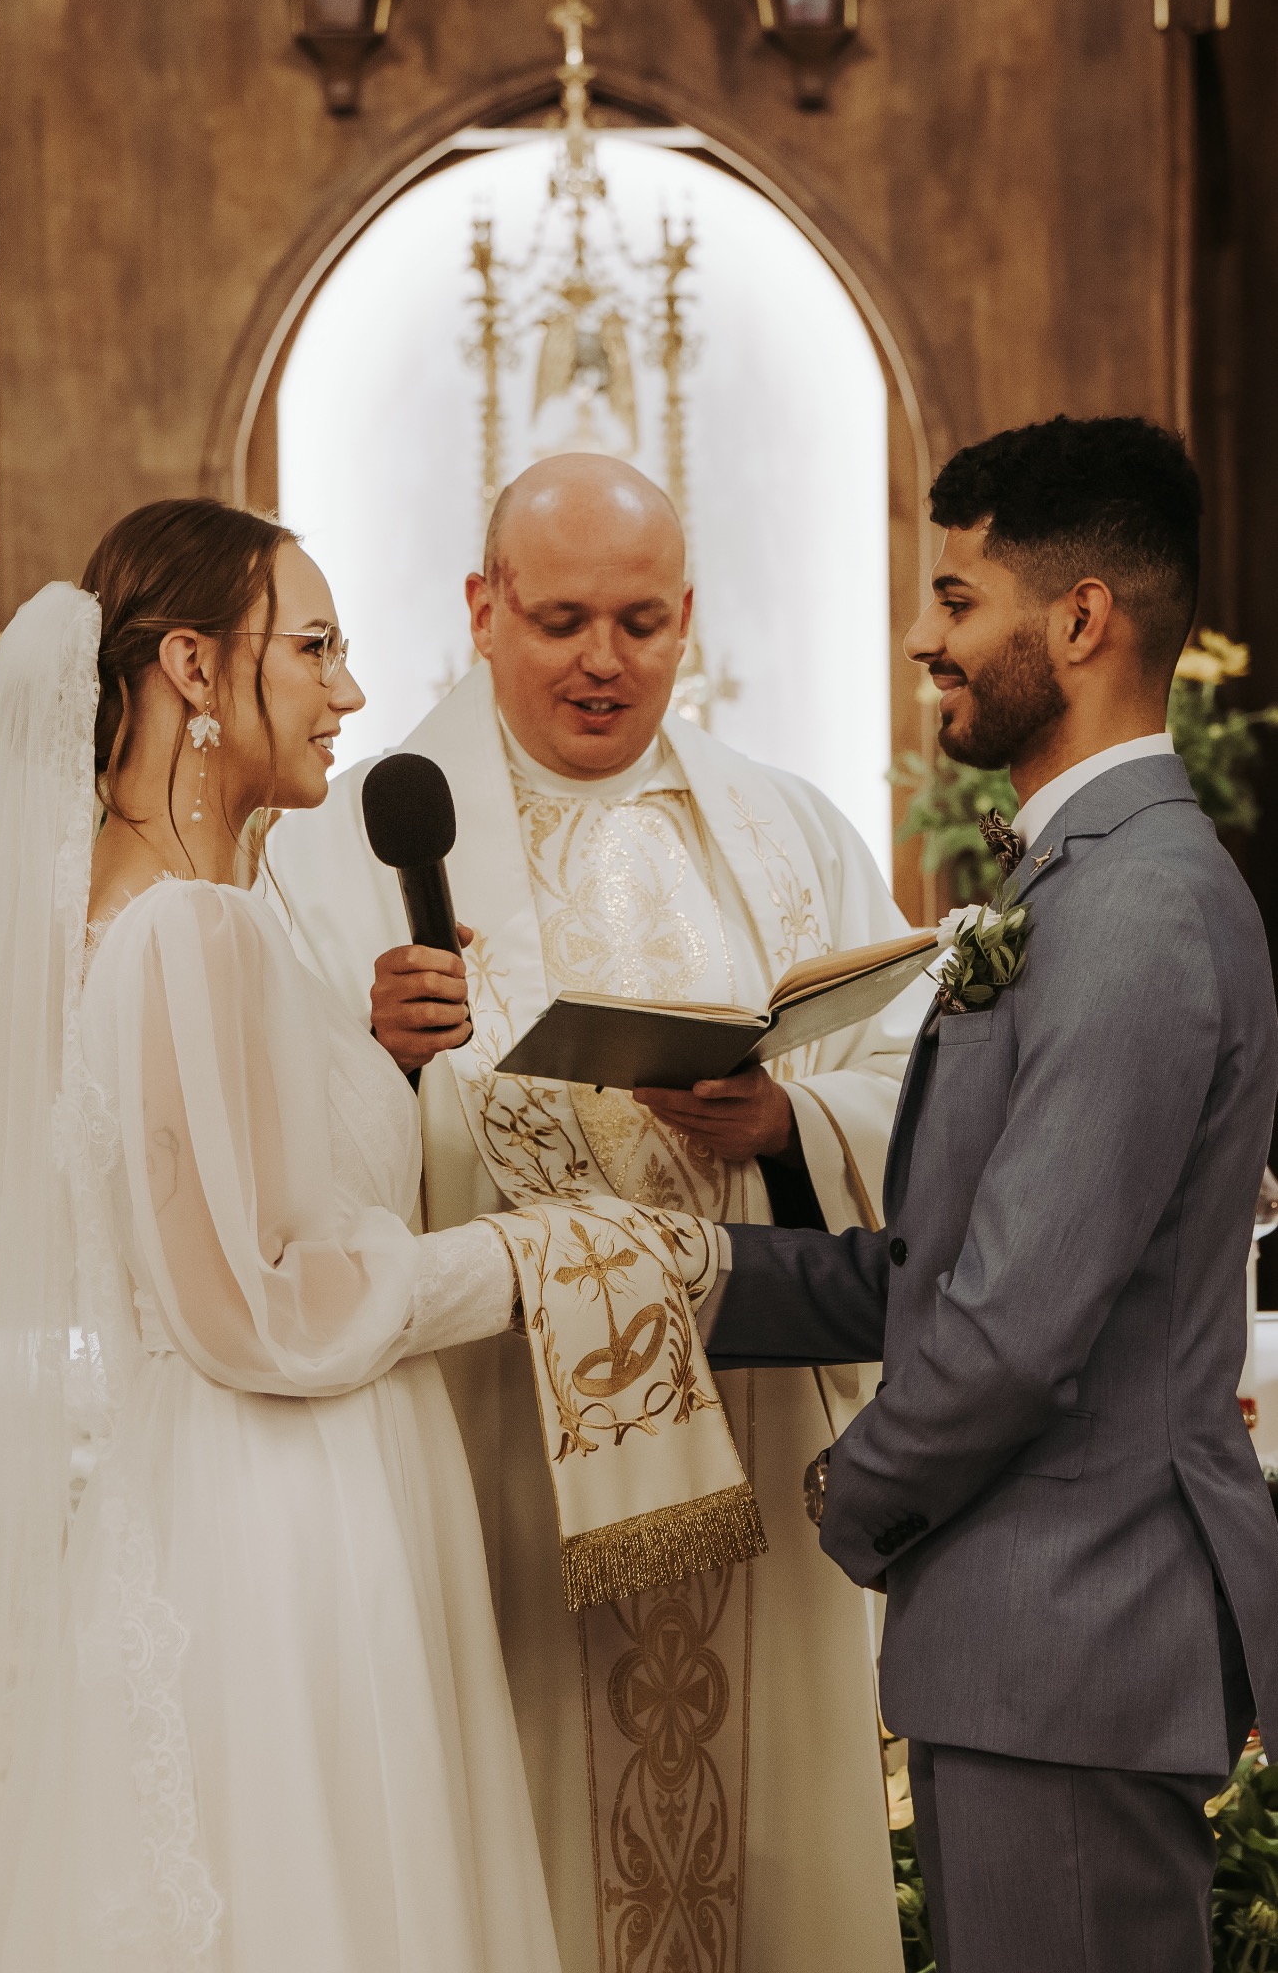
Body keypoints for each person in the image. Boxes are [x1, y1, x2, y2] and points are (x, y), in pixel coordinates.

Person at [0, 496, 670, 1973]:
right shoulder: (189, 932)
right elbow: (259, 1313)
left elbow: (245, 1209)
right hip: (280, 1507)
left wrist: (376, 1067)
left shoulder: (160, 911)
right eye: (315, 646)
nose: (352, 691)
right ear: (194, 668)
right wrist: (538, 1260)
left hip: (237, 1484)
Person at [268, 453, 924, 1973]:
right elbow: (271, 1158)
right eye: (561, 619)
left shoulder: (787, 828)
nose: (603, 661)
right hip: (503, 1451)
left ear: (689, 617)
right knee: (538, 1843)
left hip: (753, 1436)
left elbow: (909, 1074)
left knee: (764, 1854)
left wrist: (791, 1118)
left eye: (641, 621)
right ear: (481, 611)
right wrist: (375, 1049)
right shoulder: (347, 845)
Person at [700, 417, 1278, 1973]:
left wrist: (855, 1494)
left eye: (958, 600)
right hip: (1032, 1646)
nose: (921, 639)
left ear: (1078, 620)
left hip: (1075, 1635)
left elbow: (1016, 1322)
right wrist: (662, 1275)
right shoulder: (1071, 882)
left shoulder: (1140, 905)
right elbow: (933, 1267)